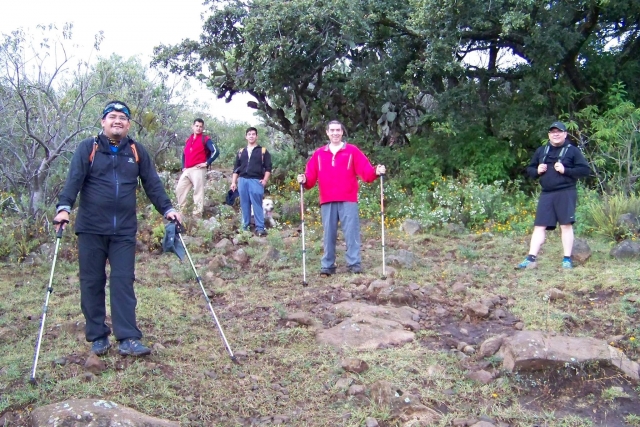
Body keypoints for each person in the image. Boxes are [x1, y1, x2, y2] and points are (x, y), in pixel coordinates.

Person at [54, 100, 181, 357]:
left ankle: (128, 338)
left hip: (123, 230)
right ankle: (98, 336)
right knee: (92, 282)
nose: (117, 121)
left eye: (122, 118)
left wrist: (168, 208)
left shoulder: (136, 151)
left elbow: (152, 184)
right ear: (103, 121)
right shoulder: (88, 148)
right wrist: (64, 207)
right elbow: (73, 181)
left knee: (123, 281)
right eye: (112, 116)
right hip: (91, 228)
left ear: (128, 124)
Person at [297, 120, 386, 275]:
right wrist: (303, 179)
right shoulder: (319, 154)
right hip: (327, 199)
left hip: (348, 198)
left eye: (338, 130)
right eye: (332, 130)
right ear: (327, 133)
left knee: (351, 232)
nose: (335, 133)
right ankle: (328, 265)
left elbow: (366, 171)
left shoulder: (352, 151)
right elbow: (310, 177)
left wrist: (376, 171)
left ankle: (354, 264)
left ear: (342, 132)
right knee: (328, 233)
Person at [516, 121, 590, 270]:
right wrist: (537, 170)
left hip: (566, 192)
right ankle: (530, 258)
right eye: (552, 132)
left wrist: (566, 170)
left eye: (559, 131)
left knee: (565, 225)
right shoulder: (541, 151)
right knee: (539, 226)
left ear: (565, 134)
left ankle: (567, 259)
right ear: (549, 135)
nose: (555, 134)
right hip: (546, 193)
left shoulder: (572, 151)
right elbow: (529, 170)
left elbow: (584, 170)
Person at [230, 127, 272, 236]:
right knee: (244, 204)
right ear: (246, 136)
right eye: (249, 134)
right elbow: (236, 168)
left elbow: (268, 168)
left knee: (257, 204)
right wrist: (234, 182)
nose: (251, 136)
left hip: (256, 180)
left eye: (253, 134)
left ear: (257, 136)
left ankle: (260, 228)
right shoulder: (241, 151)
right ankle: (245, 227)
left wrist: (265, 180)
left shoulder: (263, 151)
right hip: (243, 180)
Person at [175, 118, 219, 216]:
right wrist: (183, 167)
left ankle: (197, 215)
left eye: (200, 126)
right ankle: (182, 212)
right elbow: (184, 154)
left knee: (198, 192)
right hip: (188, 170)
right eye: (197, 126)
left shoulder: (205, 139)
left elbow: (216, 151)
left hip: (198, 169)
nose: (198, 128)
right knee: (179, 189)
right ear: (193, 126)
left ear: (203, 128)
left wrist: (207, 163)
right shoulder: (188, 140)